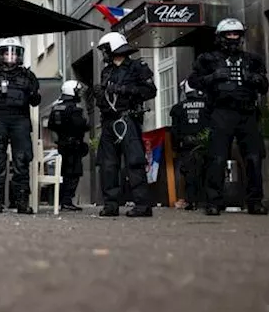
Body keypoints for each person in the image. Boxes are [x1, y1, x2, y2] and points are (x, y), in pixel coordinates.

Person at [190, 18, 269, 216]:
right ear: (221, 37)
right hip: (221, 112)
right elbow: (193, 82)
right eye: (229, 34)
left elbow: (264, 86)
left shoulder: (252, 60)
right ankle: (214, 202)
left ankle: (255, 201)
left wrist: (254, 79)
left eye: (236, 34)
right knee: (217, 158)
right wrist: (213, 77)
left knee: (253, 158)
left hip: (247, 112)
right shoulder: (208, 59)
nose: (233, 38)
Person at [92, 32, 157, 218]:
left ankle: (143, 205)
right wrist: (99, 96)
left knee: (135, 162)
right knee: (108, 164)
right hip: (108, 122)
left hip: (128, 119)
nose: (104, 53)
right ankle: (111, 204)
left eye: (105, 49)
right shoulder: (107, 71)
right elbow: (105, 99)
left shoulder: (137, 67)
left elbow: (150, 91)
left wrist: (124, 89)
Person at [0, 37, 41, 214]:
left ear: (19, 55)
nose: (10, 56)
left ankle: (21, 201)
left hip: (20, 120)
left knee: (22, 161)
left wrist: (33, 92)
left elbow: (36, 101)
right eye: (6, 52)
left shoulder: (28, 76)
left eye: (14, 52)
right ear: (0, 55)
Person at [47, 79, 89, 212]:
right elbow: (81, 125)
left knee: (64, 173)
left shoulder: (56, 108)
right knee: (73, 173)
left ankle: (62, 200)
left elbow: (50, 125)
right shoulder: (75, 109)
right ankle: (67, 201)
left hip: (62, 144)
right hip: (73, 145)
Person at [169, 79, 209, 210]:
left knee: (189, 173)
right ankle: (207, 200)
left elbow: (174, 130)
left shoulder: (178, 108)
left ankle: (191, 201)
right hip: (205, 144)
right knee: (207, 171)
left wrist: (174, 146)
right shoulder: (208, 105)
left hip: (186, 145)